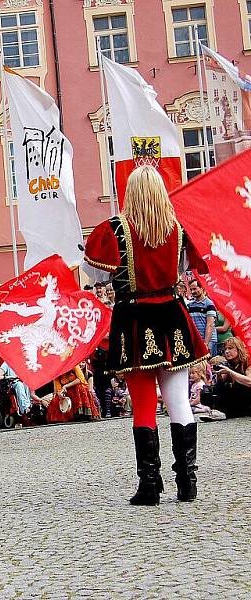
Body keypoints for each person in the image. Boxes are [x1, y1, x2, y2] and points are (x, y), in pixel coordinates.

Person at [84, 167, 209, 506]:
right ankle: (187, 481)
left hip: (135, 318)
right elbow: (184, 270)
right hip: (172, 313)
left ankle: (150, 485)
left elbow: (94, 272)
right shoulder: (178, 230)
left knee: (143, 405)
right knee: (179, 401)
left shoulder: (115, 230)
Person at [209, 336, 251, 418]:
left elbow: (249, 382)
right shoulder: (229, 363)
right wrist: (219, 376)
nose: (227, 351)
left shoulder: (247, 362)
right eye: (225, 349)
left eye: (230, 348)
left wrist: (230, 372)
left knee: (238, 385)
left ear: (238, 349)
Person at [187, 280, 217, 356]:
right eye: (191, 289)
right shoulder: (190, 305)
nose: (192, 291)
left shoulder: (209, 304)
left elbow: (210, 325)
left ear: (202, 288)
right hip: (196, 341)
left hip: (209, 341)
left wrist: (206, 343)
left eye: (195, 289)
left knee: (209, 365)